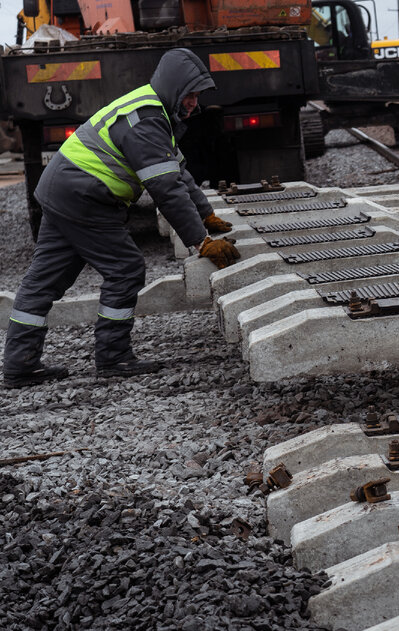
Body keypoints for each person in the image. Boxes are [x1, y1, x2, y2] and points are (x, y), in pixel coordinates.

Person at [3, 49, 240, 388]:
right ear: (174, 87)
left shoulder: (153, 111)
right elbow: (165, 188)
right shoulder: (145, 119)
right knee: (126, 268)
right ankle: (113, 356)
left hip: (63, 189)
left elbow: (179, 173)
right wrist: (200, 242)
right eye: (190, 94)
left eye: (198, 95)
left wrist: (207, 214)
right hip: (82, 195)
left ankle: (19, 365)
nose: (194, 103)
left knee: (44, 280)